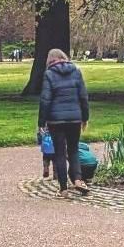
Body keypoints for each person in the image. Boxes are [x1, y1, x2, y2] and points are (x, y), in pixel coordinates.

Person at [37, 47, 90, 194]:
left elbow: (45, 100)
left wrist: (41, 122)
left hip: (56, 120)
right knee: (73, 150)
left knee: (59, 152)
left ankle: (63, 188)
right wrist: (85, 117)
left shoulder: (49, 74)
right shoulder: (76, 71)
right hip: (74, 118)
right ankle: (78, 179)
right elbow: (83, 97)